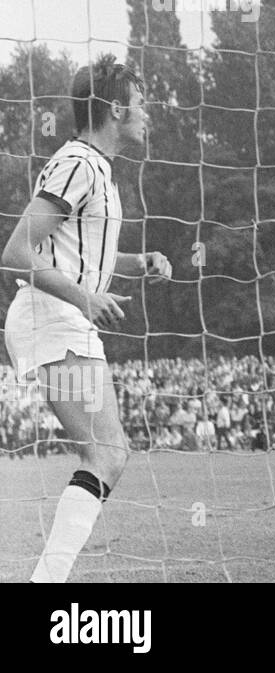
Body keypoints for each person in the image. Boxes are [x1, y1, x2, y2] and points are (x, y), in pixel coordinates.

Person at [1, 55, 174, 582]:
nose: (148, 115)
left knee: (109, 453)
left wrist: (136, 264)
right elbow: (16, 251)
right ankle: (45, 582)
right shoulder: (78, 162)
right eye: (142, 104)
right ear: (117, 108)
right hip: (51, 317)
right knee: (105, 452)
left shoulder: (97, 169)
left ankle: (46, 580)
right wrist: (82, 297)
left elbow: (80, 252)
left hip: (60, 317)